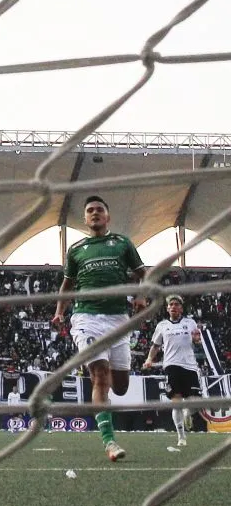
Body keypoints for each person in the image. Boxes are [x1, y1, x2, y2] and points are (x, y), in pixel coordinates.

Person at [53, 195, 146, 463]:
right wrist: (60, 311)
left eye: (99, 210)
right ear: (85, 218)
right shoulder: (76, 249)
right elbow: (67, 286)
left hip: (118, 319)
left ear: (108, 216)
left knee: (121, 386)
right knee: (100, 377)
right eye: (90, 210)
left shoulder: (122, 244)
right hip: (87, 318)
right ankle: (109, 441)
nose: (94, 213)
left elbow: (144, 273)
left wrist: (141, 295)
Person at [143, 295, 202, 447]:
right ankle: (181, 437)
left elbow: (197, 342)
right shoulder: (162, 326)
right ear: (167, 308)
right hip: (171, 365)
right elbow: (156, 346)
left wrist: (197, 340)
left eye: (177, 304)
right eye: (171, 304)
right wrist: (149, 359)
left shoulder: (190, 323)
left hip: (190, 365)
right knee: (176, 402)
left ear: (181, 308)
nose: (174, 306)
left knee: (194, 403)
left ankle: (188, 414)